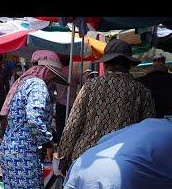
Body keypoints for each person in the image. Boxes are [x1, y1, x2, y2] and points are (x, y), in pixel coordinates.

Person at [57, 39, 155, 174]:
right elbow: (147, 133)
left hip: (85, 159)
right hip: (121, 163)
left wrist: (64, 156)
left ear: (106, 63)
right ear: (129, 64)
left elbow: (74, 124)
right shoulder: (142, 91)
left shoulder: (90, 86)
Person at [0, 50, 68, 189]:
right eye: (53, 76)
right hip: (24, 155)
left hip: (9, 152)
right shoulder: (37, 85)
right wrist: (48, 142)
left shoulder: (23, 83)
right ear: (48, 71)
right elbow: (34, 118)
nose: (52, 82)